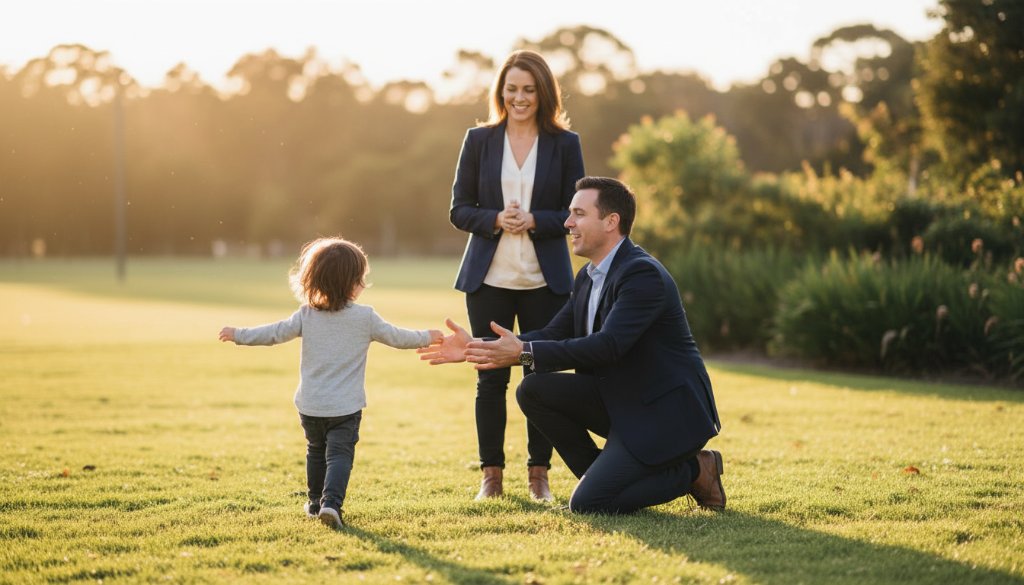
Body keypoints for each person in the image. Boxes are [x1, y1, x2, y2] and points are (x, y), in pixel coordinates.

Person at [421, 177, 725, 514]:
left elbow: (608, 346)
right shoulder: (588, 276)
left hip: (662, 414)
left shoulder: (642, 275)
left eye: (578, 214)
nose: (567, 223)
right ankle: (608, 476)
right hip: (621, 400)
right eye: (569, 214)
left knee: (588, 504)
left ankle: (696, 469)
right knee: (533, 389)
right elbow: (553, 333)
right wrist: (477, 346)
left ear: (611, 222)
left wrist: (521, 352)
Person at [219, 237, 442, 529]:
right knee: (339, 456)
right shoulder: (366, 317)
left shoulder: (306, 316)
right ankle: (331, 505)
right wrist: (428, 336)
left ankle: (314, 504)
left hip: (311, 405)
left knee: (315, 451)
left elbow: (273, 333)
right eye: (361, 278)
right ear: (351, 284)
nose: (364, 284)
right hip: (345, 407)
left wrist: (238, 334)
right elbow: (399, 338)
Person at [449, 49, 585, 501]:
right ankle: (491, 476)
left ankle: (539, 476)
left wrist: (533, 221)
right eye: (512, 89)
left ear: (543, 92)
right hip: (487, 281)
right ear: (501, 92)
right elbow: (458, 209)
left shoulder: (566, 144)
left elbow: (576, 210)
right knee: (490, 380)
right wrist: (493, 219)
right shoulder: (479, 139)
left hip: (546, 283)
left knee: (538, 379)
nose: (520, 98)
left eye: (529, 89)